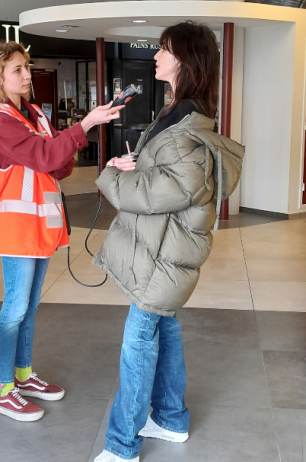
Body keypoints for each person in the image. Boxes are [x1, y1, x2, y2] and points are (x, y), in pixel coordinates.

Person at [91, 21, 244, 462]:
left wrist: (112, 176)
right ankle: (172, 420)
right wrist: (135, 163)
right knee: (165, 327)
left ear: (186, 59)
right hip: (164, 252)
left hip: (164, 258)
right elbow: (169, 176)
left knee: (138, 342)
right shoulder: (178, 112)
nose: (155, 56)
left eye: (164, 49)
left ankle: (121, 447)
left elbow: (169, 190)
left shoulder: (184, 122)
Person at [0, 41, 122, 422]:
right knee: (15, 309)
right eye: (17, 70)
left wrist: (61, 150)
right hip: (17, 227)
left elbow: (58, 164)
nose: (26, 75)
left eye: (27, 67)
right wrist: (83, 126)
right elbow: (46, 156)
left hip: (39, 226)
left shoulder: (34, 113)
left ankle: (22, 375)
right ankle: (4, 389)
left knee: (29, 307)